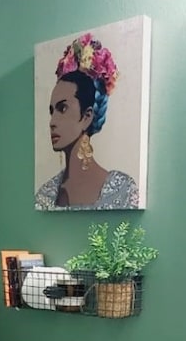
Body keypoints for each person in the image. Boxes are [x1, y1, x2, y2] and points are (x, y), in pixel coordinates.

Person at [35, 32, 139, 210]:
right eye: (51, 111)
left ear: (87, 116)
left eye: (63, 108)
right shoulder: (45, 195)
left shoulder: (123, 190)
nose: (52, 122)